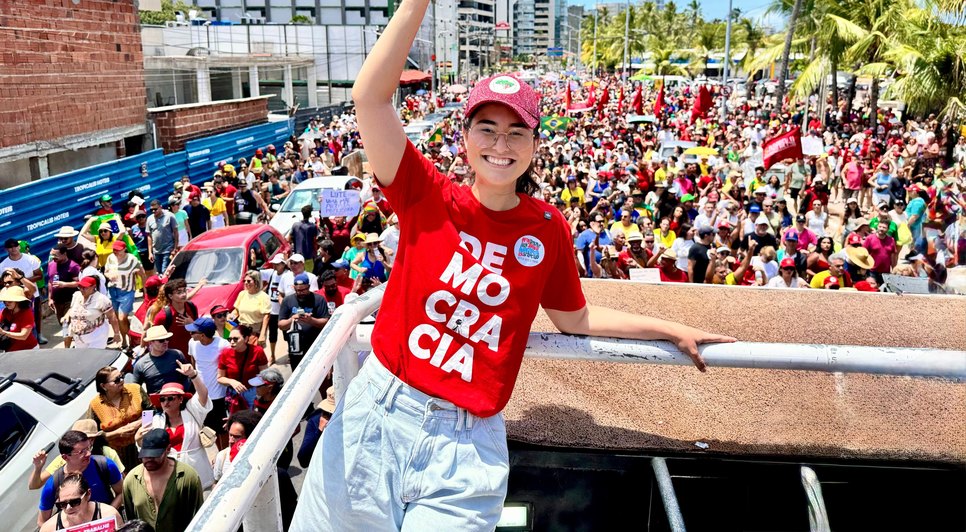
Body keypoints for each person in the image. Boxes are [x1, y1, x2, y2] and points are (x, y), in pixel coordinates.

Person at [292, 18, 732, 529]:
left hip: (467, 445)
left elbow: (576, 319)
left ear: (533, 145)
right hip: (380, 413)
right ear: (464, 137)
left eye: (516, 132)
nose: (501, 144)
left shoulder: (547, 228)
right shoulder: (424, 193)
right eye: (487, 128)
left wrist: (671, 330)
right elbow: (370, 99)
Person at [137, 362, 214, 489]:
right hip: (168, 473)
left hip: (197, 471)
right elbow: (144, 447)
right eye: (162, 399)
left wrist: (193, 375)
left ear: (180, 399)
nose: (166, 402)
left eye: (170, 398)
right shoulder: (152, 419)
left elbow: (203, 395)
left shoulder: (192, 411)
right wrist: (138, 439)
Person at [36, 430, 123, 528]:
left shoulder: (105, 465)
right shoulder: (54, 483)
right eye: (82, 452)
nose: (88, 453)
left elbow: (121, 492)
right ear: (65, 457)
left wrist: (105, 518)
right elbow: (42, 522)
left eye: (88, 448)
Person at [123, 429, 204, 532]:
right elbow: (131, 523)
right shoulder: (131, 480)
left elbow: (199, 518)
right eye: (145, 455)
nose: (149, 459)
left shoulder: (188, 477)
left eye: (154, 455)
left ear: (168, 449)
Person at [88, 367, 149, 471]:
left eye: (122, 376)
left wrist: (138, 423)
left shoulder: (135, 390)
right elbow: (93, 435)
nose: (121, 381)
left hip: (143, 445)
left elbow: (152, 412)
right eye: (116, 380)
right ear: (103, 386)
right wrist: (116, 433)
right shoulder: (95, 405)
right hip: (116, 454)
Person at [186, 317, 230, 449]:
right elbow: (194, 362)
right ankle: (220, 453)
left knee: (222, 430)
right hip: (201, 396)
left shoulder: (223, 345)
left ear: (203, 335)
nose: (190, 334)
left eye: (193, 332)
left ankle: (226, 454)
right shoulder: (192, 343)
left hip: (218, 396)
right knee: (210, 429)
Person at [38, 473, 124, 532]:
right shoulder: (49, 528)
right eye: (62, 504)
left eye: (75, 502)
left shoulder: (109, 515)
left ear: (88, 494)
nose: (68, 508)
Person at [278, 273, 329, 370]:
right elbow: (281, 325)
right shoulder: (287, 300)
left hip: (315, 346)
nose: (301, 293)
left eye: (304, 290)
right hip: (295, 347)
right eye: (298, 290)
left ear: (309, 287)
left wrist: (311, 320)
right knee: (297, 373)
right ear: (294, 288)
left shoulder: (318, 300)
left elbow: (326, 322)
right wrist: (292, 319)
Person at [1, 238, 45, 344]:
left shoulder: (31, 259)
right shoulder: (3, 265)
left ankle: (38, 335)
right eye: (10, 247)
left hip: (31, 294)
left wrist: (21, 281)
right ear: (6, 249)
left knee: (34, 317)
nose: (13, 249)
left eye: (15, 246)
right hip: (14, 300)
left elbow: (39, 275)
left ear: (19, 247)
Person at [104, 239, 145, 352]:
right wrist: (109, 275)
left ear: (124, 250)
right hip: (113, 290)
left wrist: (146, 292)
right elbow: (106, 271)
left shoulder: (132, 259)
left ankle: (132, 339)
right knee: (119, 319)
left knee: (122, 318)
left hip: (127, 291)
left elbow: (142, 274)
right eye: (114, 250)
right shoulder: (110, 258)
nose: (115, 252)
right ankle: (125, 341)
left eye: (118, 250)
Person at [217, 324, 269, 409]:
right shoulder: (225, 353)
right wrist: (232, 382)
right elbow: (219, 378)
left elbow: (265, 375)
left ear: (246, 339)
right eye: (230, 339)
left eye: (235, 339)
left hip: (252, 392)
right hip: (233, 394)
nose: (232, 342)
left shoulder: (257, 351)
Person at [132, 326, 191, 394]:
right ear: (151, 343)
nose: (165, 342)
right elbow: (135, 389)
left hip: (178, 399)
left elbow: (187, 377)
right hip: (156, 402)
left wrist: (183, 393)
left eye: (167, 339)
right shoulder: (140, 365)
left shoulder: (177, 355)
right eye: (161, 340)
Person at [66, 276, 122, 349]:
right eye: (80, 287)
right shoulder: (77, 295)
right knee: (81, 359)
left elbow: (112, 317)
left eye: (85, 287)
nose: (82, 290)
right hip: (79, 338)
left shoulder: (102, 299)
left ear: (93, 287)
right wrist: (66, 315)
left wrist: (116, 333)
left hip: (97, 336)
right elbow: (72, 308)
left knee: (95, 358)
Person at [151, 278, 199, 358]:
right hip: (172, 358)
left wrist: (192, 324)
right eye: (179, 292)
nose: (184, 294)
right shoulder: (163, 316)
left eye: (184, 291)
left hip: (193, 355)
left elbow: (201, 333)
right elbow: (155, 340)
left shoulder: (192, 307)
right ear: (170, 296)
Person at [48, 244, 82, 346]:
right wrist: (50, 298)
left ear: (64, 254)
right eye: (52, 255)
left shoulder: (74, 267)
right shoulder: (51, 264)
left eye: (56, 255)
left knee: (66, 325)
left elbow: (79, 283)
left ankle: (67, 347)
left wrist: (65, 284)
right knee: (63, 323)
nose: (53, 258)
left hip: (70, 301)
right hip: (57, 301)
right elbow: (50, 282)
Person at [232, 270, 271, 349]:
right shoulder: (242, 294)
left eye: (249, 281)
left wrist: (262, 334)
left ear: (256, 282)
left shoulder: (263, 297)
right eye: (244, 281)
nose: (246, 283)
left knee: (253, 357)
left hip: (255, 331)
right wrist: (230, 317)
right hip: (241, 330)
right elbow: (236, 311)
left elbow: (266, 317)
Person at [0, 286, 39, 351]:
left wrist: (4, 332)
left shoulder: (27, 313)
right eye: (5, 301)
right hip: (10, 350)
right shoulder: (5, 311)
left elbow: (23, 336)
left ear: (18, 301)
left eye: (9, 301)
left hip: (28, 350)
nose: (6, 303)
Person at [291, 205, 320, 272]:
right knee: (308, 275)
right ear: (310, 214)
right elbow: (315, 241)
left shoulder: (295, 225)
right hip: (309, 257)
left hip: (298, 256)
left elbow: (289, 238)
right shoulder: (313, 226)